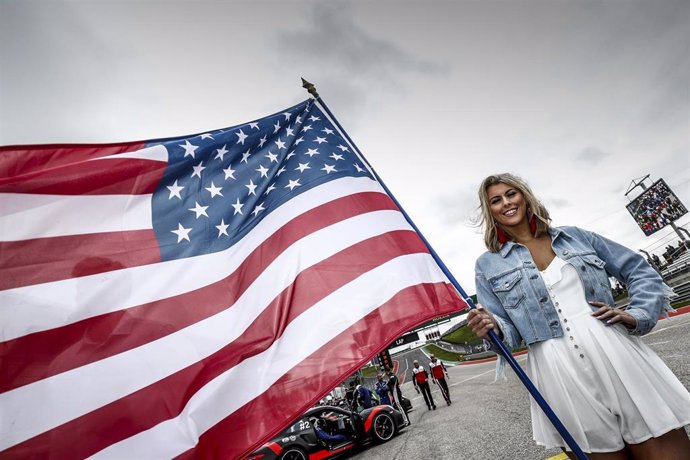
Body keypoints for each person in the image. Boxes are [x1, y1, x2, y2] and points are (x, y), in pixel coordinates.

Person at [467, 173, 690, 459]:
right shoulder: (487, 265)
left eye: (511, 194)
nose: (506, 203)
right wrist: (492, 326)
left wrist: (637, 314)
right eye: (496, 200)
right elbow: (506, 331)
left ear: (524, 195)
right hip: (556, 369)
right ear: (490, 211)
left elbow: (638, 270)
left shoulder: (575, 236)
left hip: (614, 350)